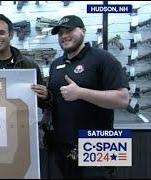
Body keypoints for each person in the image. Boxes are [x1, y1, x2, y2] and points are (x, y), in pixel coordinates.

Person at [43, 15, 130, 178]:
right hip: (63, 144)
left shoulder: (103, 58)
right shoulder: (55, 64)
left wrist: (81, 93)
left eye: (69, 30)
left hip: (99, 142)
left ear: (83, 31)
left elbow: (123, 99)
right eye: (60, 33)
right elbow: (55, 102)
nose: (64, 36)